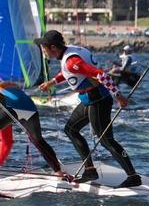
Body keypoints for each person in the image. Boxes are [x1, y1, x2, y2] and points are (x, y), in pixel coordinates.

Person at [34, 30, 140, 187]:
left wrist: (119, 96)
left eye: (44, 48)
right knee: (70, 129)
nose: (43, 51)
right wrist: (52, 82)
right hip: (89, 99)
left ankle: (133, 176)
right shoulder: (68, 53)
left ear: (53, 48)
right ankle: (90, 170)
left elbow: (101, 75)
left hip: (98, 99)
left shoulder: (72, 61)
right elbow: (68, 73)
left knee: (106, 140)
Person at [0, 82, 68, 178]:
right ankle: (58, 171)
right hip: (27, 106)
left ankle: (58, 171)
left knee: (34, 140)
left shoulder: (4, 90)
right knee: (37, 139)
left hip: (13, 106)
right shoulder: (9, 87)